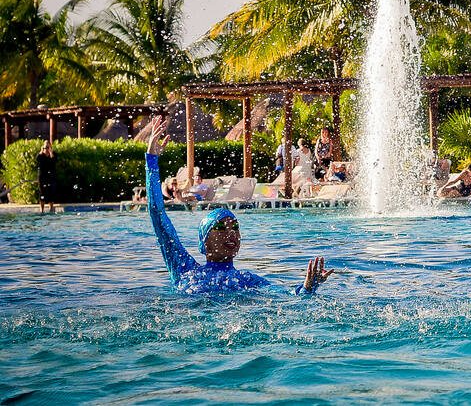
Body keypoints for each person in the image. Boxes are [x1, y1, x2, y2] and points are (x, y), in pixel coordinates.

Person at [141, 115, 335, 296]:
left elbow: (286, 296)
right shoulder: (184, 268)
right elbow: (157, 214)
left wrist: (307, 288)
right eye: (220, 228)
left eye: (235, 227)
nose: (231, 233)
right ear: (203, 241)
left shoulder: (248, 280)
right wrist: (151, 161)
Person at [36, 140, 56, 213]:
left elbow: (54, 162)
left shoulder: (53, 155)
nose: (46, 149)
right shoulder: (40, 156)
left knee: (51, 192)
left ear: (50, 147)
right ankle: (42, 210)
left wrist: (51, 153)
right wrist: (41, 152)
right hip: (42, 177)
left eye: (48, 147)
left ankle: (51, 208)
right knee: (42, 193)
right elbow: (37, 160)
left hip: (51, 177)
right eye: (45, 147)